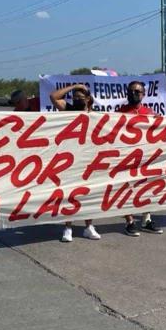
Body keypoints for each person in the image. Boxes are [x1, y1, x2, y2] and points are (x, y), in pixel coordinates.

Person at [49, 83, 101, 242]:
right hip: (70, 159)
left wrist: (88, 102)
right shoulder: (68, 110)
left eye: (81, 97)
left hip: (89, 159)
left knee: (88, 194)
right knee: (70, 194)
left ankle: (89, 226)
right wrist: (75, 86)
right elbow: (53, 97)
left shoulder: (93, 114)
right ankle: (68, 227)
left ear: (87, 99)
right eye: (75, 97)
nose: (77, 99)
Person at [118, 80, 164, 237]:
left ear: (143, 94)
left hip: (145, 159)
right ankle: (129, 222)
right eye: (131, 91)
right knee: (126, 190)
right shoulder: (118, 114)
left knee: (146, 189)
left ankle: (146, 219)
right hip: (126, 160)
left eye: (137, 92)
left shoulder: (149, 113)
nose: (133, 94)